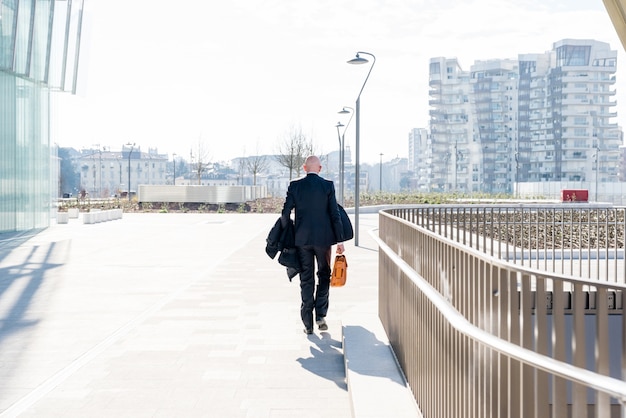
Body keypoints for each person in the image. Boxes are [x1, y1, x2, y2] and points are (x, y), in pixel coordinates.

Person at [281, 155, 345, 335]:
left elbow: (285, 213)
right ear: (320, 168)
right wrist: (340, 241)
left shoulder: (295, 186)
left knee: (306, 278)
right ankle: (321, 316)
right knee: (324, 275)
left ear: (304, 168)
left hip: (301, 240)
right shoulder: (327, 186)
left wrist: (287, 234)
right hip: (324, 241)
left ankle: (307, 323)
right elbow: (335, 215)